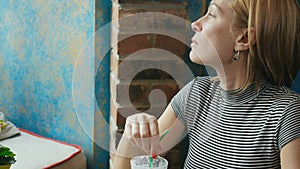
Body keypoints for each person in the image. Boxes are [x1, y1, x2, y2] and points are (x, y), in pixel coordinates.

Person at [112, 0, 300, 168]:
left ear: (243, 39)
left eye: (211, 14)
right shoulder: (197, 94)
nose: (195, 24)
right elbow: (141, 159)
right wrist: (134, 132)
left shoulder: (287, 112)